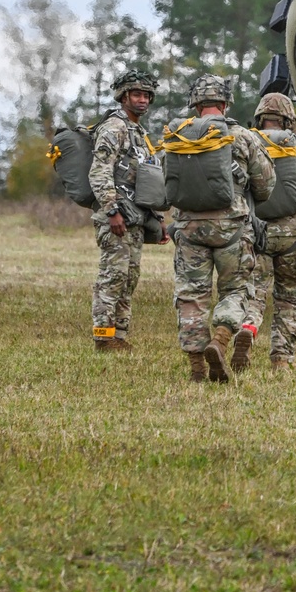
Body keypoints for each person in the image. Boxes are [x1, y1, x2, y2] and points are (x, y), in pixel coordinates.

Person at [164, 74, 276, 382]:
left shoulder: (179, 134)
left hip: (188, 227)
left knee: (191, 296)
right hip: (232, 227)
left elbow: (167, 183)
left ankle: (197, 368)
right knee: (236, 289)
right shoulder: (241, 135)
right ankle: (221, 338)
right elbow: (266, 183)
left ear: (196, 104)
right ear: (225, 103)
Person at [236, 90, 296, 372]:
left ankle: (248, 328)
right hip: (293, 239)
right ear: (289, 119)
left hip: (256, 235)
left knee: (253, 293)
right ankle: (281, 358)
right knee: (290, 297)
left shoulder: (245, 146)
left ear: (259, 117)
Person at [88, 68, 165, 353]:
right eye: (136, 94)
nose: (142, 100)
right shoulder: (114, 128)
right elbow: (99, 173)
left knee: (129, 277)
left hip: (135, 216)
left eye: (146, 95)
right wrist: (111, 211)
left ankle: (118, 335)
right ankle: (103, 336)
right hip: (117, 217)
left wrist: (157, 218)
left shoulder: (139, 132)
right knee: (112, 276)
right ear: (123, 97)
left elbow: (146, 179)